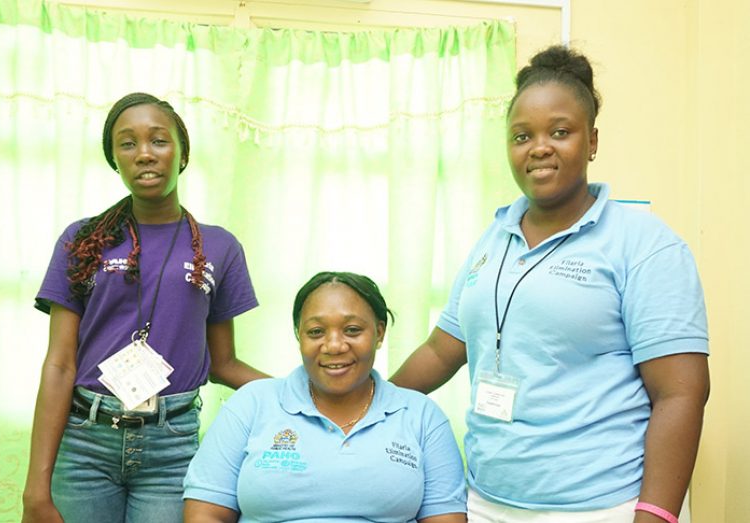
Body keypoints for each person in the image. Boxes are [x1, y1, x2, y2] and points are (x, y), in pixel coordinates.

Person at [391, 46, 710, 523]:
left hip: (605, 507)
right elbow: (442, 350)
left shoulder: (644, 244)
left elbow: (681, 393)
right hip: (484, 501)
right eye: (522, 136)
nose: (539, 147)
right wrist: (368, 404)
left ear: (593, 141)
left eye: (560, 131)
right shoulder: (493, 239)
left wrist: (655, 515)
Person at [21, 92, 267, 523]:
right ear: (114, 159)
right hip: (85, 444)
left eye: (159, 140)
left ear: (183, 153)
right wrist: (35, 491)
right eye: (127, 144)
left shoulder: (220, 246)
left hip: (172, 447)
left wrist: (300, 391)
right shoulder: (81, 240)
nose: (144, 154)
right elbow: (60, 364)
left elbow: (222, 362)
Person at [183, 271, 467, 523]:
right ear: (299, 335)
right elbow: (206, 513)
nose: (334, 345)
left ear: (379, 333)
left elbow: (446, 518)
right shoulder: (251, 404)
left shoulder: (422, 416)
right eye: (316, 332)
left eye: (352, 330)